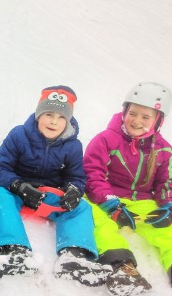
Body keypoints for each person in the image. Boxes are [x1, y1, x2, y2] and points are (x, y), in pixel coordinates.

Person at [0, 85, 112, 286]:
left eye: (61, 117)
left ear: (68, 121)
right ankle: (14, 250)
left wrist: (73, 190)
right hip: (20, 191)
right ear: (38, 115)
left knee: (82, 207)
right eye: (49, 114)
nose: (54, 121)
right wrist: (18, 186)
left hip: (50, 196)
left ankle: (73, 256)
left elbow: (76, 177)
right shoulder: (19, 135)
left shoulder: (73, 146)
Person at [84, 82, 172, 296]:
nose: (137, 121)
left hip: (142, 201)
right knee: (97, 221)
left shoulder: (163, 149)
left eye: (145, 117)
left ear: (158, 120)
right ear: (124, 111)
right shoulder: (106, 139)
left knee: (167, 229)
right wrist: (111, 204)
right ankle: (122, 267)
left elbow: (166, 183)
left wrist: (168, 206)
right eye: (133, 113)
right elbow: (92, 173)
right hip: (105, 198)